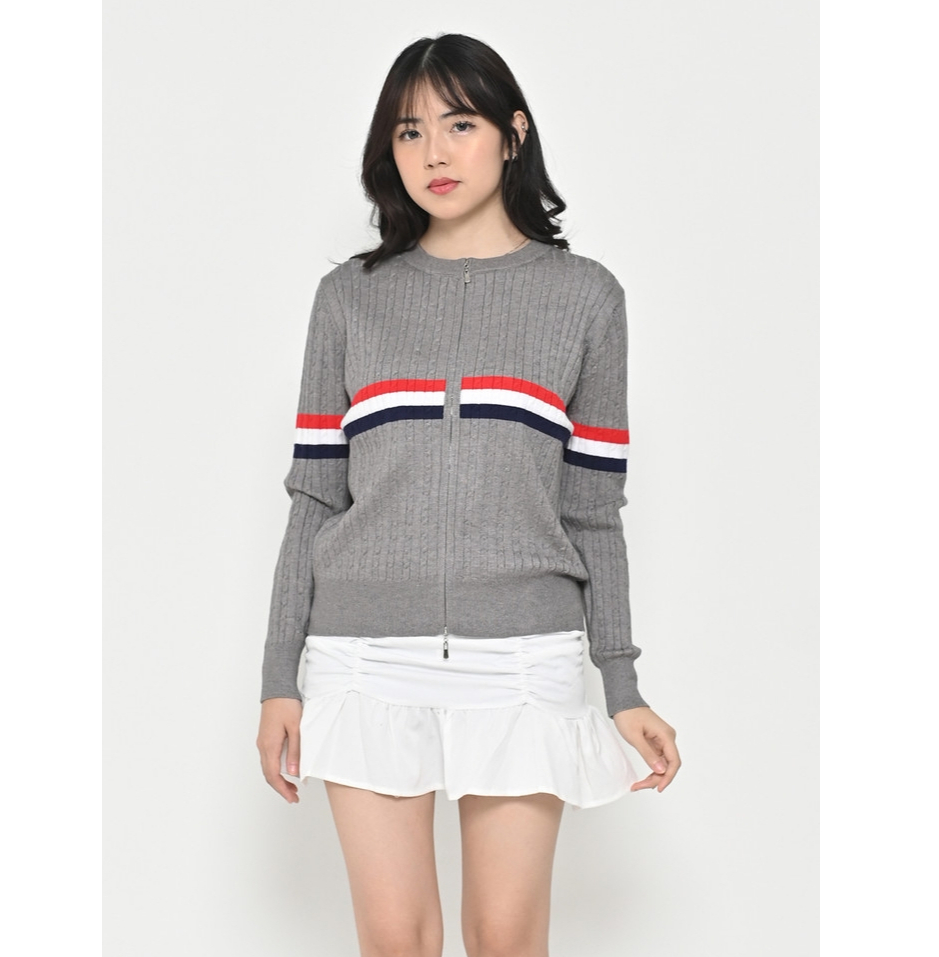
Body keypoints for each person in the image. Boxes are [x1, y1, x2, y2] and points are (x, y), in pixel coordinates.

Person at [257, 32, 681, 957]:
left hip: (523, 657)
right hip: (361, 657)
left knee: (505, 938)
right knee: (396, 940)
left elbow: (591, 509)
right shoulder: (349, 298)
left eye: (459, 124)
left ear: (512, 133)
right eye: (409, 131)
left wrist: (620, 682)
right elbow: (314, 498)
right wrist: (278, 677)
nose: (433, 153)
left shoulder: (584, 297)